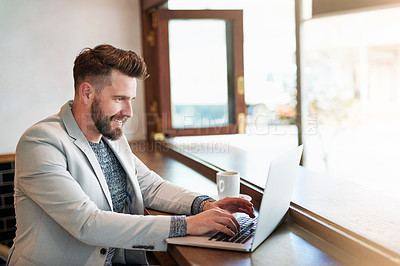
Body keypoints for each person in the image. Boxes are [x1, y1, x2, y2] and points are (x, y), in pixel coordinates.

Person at [7, 44, 254, 266]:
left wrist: (205, 205)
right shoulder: (40, 142)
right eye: (119, 99)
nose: (129, 112)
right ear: (86, 93)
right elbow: (87, 223)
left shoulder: (111, 134)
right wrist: (187, 225)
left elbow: (150, 186)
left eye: (131, 99)